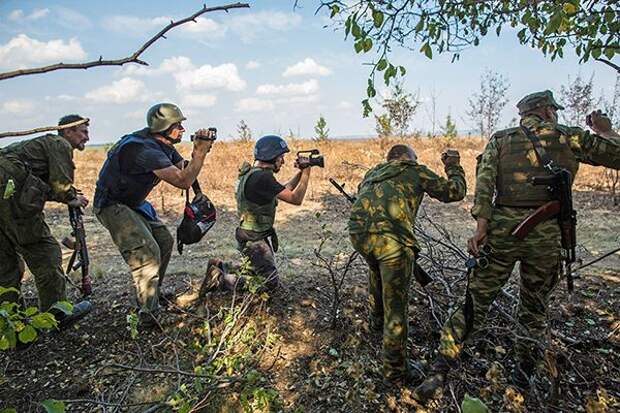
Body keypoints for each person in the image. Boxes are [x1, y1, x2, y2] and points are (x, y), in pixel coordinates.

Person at [414, 91, 620, 402]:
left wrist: (481, 227)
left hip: (502, 231)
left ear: (524, 114)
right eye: (554, 109)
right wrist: (605, 130)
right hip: (546, 235)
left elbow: (484, 184)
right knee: (534, 307)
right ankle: (521, 380)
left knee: (475, 300)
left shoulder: (501, 140)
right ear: (547, 112)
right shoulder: (568, 138)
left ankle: (440, 368)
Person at [348, 144, 467, 383]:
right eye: (415, 158)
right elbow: (454, 192)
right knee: (397, 305)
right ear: (409, 158)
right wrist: (453, 167)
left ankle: (376, 324)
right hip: (392, 241)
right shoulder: (415, 170)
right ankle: (395, 371)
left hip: (360, 235)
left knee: (377, 274)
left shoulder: (373, 173)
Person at [93, 103, 214, 325]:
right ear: (164, 126)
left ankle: (152, 296)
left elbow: (182, 168)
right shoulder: (142, 149)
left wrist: (199, 193)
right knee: (146, 253)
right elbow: (182, 180)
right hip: (113, 205)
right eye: (178, 125)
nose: (182, 130)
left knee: (164, 241)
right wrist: (199, 152)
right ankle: (148, 316)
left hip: (133, 203)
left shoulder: (163, 144)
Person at [0, 114, 93, 326]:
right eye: (83, 132)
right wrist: (72, 198)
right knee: (45, 252)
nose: (87, 137)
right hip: (11, 195)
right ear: (67, 131)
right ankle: (57, 313)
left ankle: (11, 325)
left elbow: (42, 184)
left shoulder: (35, 147)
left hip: (6, 193)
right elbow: (61, 186)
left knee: (6, 265)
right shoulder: (59, 143)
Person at [215, 135, 315, 292]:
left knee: (255, 269)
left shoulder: (254, 174)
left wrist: (301, 172)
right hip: (253, 239)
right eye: (281, 157)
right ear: (271, 157)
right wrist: (307, 172)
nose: (283, 161)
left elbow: (285, 189)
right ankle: (220, 279)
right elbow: (296, 199)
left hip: (250, 234)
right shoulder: (262, 178)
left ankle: (220, 266)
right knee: (269, 283)